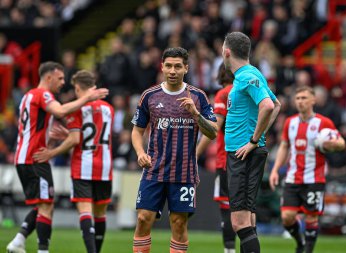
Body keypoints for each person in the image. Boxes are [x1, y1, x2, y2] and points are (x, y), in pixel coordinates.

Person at [7, 62, 108, 253]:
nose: (63, 82)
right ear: (48, 77)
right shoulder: (42, 94)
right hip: (35, 157)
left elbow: (37, 124)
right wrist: (87, 97)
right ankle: (42, 250)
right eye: (60, 78)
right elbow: (60, 110)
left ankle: (19, 240)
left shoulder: (27, 96)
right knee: (46, 207)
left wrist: (50, 134)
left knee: (44, 203)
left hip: (25, 156)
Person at [131, 47, 217, 253]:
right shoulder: (149, 96)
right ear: (162, 67)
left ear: (186, 68)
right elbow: (137, 131)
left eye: (178, 66)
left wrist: (196, 114)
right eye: (168, 66)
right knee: (143, 218)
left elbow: (213, 132)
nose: (172, 70)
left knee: (178, 224)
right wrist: (140, 153)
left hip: (184, 172)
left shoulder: (198, 97)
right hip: (154, 170)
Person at [32, 70, 114, 253]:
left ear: (77, 88)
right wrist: (69, 134)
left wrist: (51, 152)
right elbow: (96, 133)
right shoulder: (109, 108)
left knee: (85, 212)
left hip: (83, 165)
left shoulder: (76, 108)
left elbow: (76, 140)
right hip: (105, 165)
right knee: (100, 214)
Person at [222, 32, 281, 253]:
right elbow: (277, 105)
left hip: (242, 154)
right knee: (247, 220)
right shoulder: (252, 74)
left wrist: (253, 141)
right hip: (245, 153)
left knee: (239, 222)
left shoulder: (247, 76)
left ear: (227, 52)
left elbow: (267, 105)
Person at [269, 86, 346, 253]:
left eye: (304, 98)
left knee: (311, 216)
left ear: (313, 100)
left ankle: (308, 250)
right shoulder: (290, 122)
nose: (300, 102)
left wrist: (334, 144)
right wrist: (275, 169)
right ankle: (300, 242)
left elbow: (342, 143)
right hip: (293, 177)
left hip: (314, 178)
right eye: (298, 98)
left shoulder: (324, 123)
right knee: (287, 217)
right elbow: (284, 146)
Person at [196, 64, 236, 253]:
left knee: (226, 206)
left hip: (228, 160)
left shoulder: (224, 94)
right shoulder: (250, 91)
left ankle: (229, 250)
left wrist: (194, 154)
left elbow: (214, 129)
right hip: (250, 158)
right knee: (246, 210)